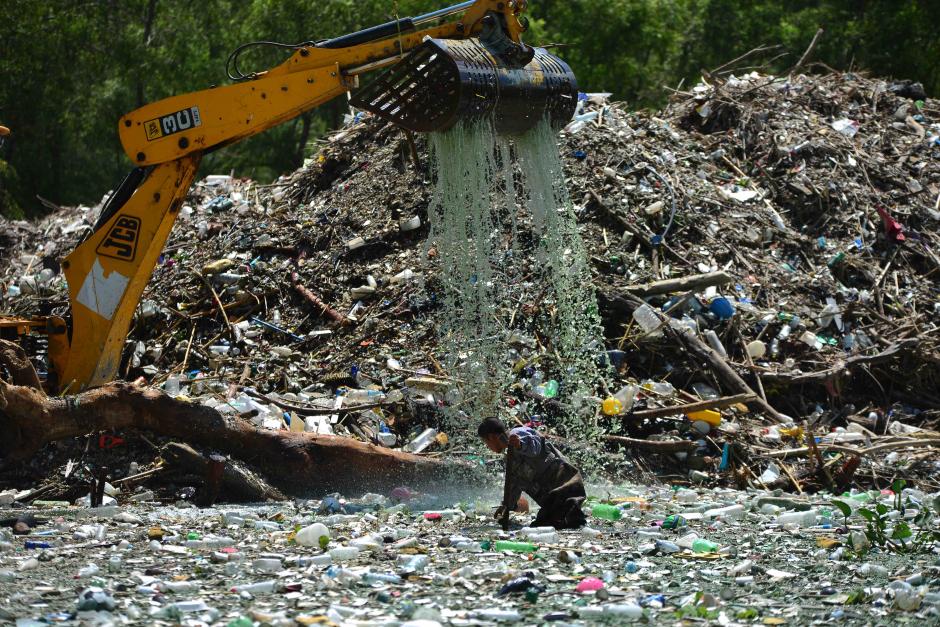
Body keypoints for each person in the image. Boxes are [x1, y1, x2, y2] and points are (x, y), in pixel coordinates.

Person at [477, 417, 587, 530]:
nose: (488, 447)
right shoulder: (511, 459)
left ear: (491, 437)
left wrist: (520, 444)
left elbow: (535, 446)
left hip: (565, 482)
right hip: (551, 497)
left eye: (486, 443)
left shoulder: (517, 433)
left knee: (570, 517)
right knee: (545, 523)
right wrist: (506, 506)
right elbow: (513, 485)